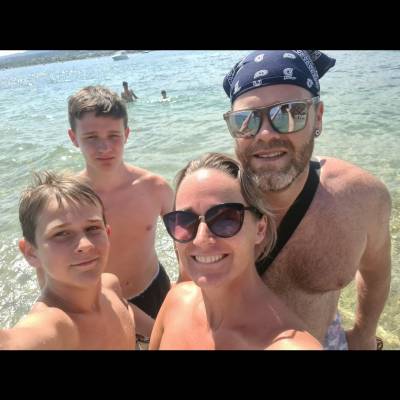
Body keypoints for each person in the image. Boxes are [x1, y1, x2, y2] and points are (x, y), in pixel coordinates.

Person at [221, 50, 392, 350]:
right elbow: (188, 289)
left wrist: (365, 332)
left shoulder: (362, 198)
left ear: (318, 116)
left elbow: (376, 271)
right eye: (245, 120)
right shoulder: (211, 202)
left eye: (289, 113)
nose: (264, 134)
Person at [150, 153, 322, 350]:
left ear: (260, 229)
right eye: (184, 220)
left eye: (225, 218)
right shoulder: (176, 302)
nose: (200, 239)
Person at [67, 86, 174, 337]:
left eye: (113, 135)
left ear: (126, 134)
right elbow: (55, 277)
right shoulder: (67, 202)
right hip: (100, 303)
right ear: (74, 138)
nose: (104, 147)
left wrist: (186, 285)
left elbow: (185, 241)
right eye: (91, 137)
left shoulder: (155, 188)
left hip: (155, 287)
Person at [0, 171, 135, 350]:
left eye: (93, 228)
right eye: (61, 233)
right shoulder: (56, 325)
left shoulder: (111, 286)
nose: (85, 245)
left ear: (107, 233)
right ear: (31, 252)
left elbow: (128, 317)